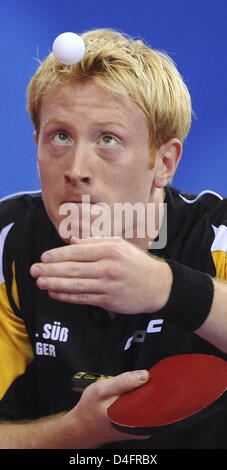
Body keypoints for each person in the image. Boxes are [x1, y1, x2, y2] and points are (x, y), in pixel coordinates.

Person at [0, 28, 226, 450]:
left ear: (163, 162)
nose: (76, 169)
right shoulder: (6, 242)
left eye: (108, 139)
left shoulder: (220, 236)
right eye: (60, 136)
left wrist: (169, 288)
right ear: (36, 146)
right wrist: (71, 434)